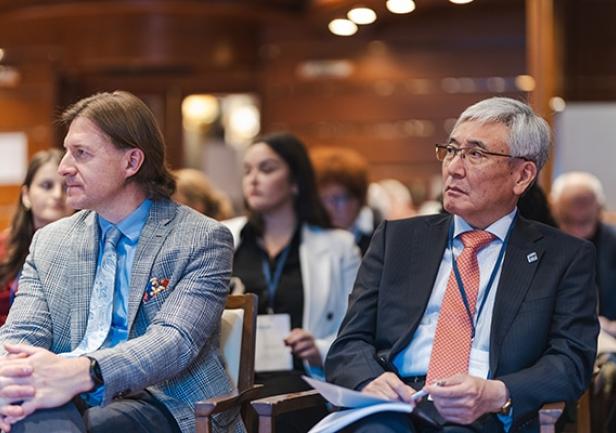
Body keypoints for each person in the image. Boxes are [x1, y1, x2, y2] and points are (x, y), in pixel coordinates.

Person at [325, 97, 598, 433]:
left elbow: (571, 362)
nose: (453, 167)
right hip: (394, 405)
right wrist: (370, 379)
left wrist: (498, 393)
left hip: (484, 412)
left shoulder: (564, 257)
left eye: (476, 154)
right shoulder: (397, 239)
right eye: (452, 150)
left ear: (522, 175)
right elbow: (349, 342)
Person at [0, 91, 243, 433]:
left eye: (81, 153)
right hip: (62, 391)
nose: (64, 167)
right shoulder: (50, 241)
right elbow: (22, 333)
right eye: (67, 151)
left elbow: (174, 341)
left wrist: (85, 371)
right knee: (23, 414)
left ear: (131, 162)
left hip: (164, 399)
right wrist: (12, 382)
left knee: (79, 424)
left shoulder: (201, 238)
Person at [223, 132, 361, 431]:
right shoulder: (223, 237)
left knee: (276, 404)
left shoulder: (339, 246)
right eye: (247, 170)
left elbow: (356, 328)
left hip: (301, 377)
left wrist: (318, 348)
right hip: (230, 377)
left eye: (267, 169)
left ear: (295, 181)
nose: (253, 179)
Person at [0, 149, 73, 325]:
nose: (57, 195)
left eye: (66, 187)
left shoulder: (90, 248)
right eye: (47, 186)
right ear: (26, 195)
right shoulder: (3, 245)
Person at [311, 147, 381, 255]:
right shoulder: (307, 235)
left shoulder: (379, 236)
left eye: (338, 199)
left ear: (360, 200)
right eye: (322, 199)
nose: (329, 208)